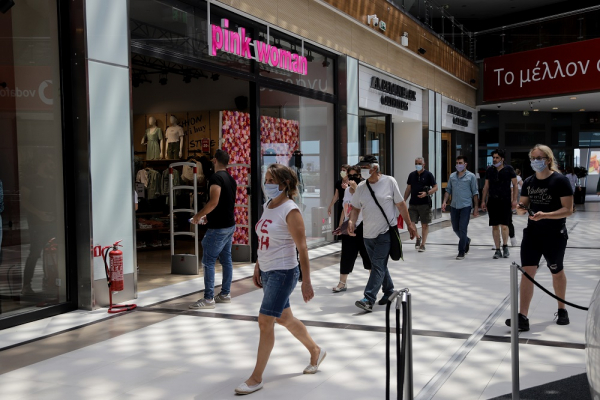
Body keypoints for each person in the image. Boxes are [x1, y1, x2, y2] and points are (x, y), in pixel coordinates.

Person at [236, 164, 325, 395]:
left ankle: (256, 378)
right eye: (266, 179)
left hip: (284, 272)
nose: (267, 184)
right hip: (267, 270)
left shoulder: (291, 210)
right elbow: (265, 239)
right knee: (284, 318)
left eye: (271, 180)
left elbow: (302, 248)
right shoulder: (269, 205)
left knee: (265, 321)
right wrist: (257, 265)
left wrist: (306, 281)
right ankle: (315, 350)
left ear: (285, 184)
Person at [506, 144, 573, 331]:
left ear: (548, 159)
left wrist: (545, 215)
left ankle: (562, 309)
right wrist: (520, 209)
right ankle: (523, 316)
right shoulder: (528, 181)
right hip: (533, 234)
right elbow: (523, 205)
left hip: (554, 235)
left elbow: (568, 209)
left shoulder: (560, 181)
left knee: (556, 271)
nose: (536, 161)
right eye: (533, 158)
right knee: (528, 272)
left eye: (539, 158)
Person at [348, 155, 417, 312]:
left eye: (366, 168)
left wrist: (409, 224)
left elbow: (400, 204)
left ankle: (368, 298)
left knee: (378, 265)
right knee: (378, 265)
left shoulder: (389, 181)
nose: (363, 171)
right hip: (367, 234)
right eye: (362, 168)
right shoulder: (361, 187)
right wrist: (352, 221)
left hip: (386, 231)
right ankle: (389, 291)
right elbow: (356, 207)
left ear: (375, 167)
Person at [189, 149, 237, 309]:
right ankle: (225, 294)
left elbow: (214, 202)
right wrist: (208, 217)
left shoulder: (216, 178)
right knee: (226, 260)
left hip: (218, 228)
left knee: (208, 261)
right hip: (229, 224)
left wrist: (198, 215)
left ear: (215, 160)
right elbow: (225, 203)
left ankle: (209, 299)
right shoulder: (231, 179)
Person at [332, 165, 371, 293]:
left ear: (360, 176)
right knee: (347, 255)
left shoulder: (365, 189)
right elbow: (345, 208)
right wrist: (340, 225)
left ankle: (374, 280)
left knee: (367, 254)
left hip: (363, 226)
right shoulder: (347, 190)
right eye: (350, 175)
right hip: (348, 225)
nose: (352, 178)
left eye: (355, 175)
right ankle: (342, 282)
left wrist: (356, 188)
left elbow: (366, 206)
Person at [481, 149, 518, 259]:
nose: (495, 159)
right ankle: (497, 249)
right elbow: (486, 186)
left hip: (505, 200)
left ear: (502, 159)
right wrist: (483, 200)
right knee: (494, 226)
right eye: (493, 157)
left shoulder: (509, 169)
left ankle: (505, 246)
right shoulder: (490, 170)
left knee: (505, 225)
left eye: (497, 157)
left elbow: (515, 185)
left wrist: (514, 200)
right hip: (493, 200)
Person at [442, 156, 479, 260]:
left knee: (463, 228)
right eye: (457, 163)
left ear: (465, 164)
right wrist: (444, 202)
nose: (458, 165)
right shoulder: (452, 176)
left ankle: (461, 251)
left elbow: (475, 192)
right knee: (455, 228)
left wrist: (476, 207)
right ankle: (466, 240)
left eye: (460, 163)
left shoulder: (471, 176)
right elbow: (448, 190)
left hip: (466, 206)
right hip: (454, 206)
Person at [404, 157, 438, 252]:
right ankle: (418, 237)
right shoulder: (411, 175)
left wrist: (427, 193)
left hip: (425, 204)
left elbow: (436, 187)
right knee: (410, 223)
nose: (418, 165)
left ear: (424, 164)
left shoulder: (428, 175)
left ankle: (423, 244)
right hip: (413, 203)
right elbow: (408, 189)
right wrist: (404, 200)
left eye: (419, 163)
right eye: (416, 163)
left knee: (424, 224)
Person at [507, 168, 524, 246]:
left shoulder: (513, 178)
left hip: (510, 197)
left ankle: (512, 238)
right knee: (497, 224)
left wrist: (513, 200)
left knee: (508, 221)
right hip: (501, 199)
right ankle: (498, 241)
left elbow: (514, 188)